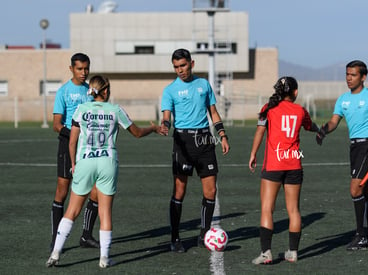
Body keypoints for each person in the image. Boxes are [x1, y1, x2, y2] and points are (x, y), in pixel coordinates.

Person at [46, 75, 167, 268]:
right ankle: (104, 258)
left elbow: (72, 141)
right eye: (108, 87)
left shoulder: (81, 109)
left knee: (72, 210)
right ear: (105, 90)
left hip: (85, 161)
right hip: (107, 162)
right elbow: (136, 133)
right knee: (105, 212)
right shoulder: (115, 110)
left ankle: (55, 253)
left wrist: (75, 163)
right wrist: (152, 129)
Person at [316, 60, 368, 250]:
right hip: (354, 148)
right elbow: (334, 121)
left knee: (355, 189)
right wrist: (324, 130)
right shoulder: (342, 99)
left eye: (353, 75)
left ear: (363, 77)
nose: (349, 78)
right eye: (347, 74)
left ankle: (361, 235)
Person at [161, 48, 230, 253]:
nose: (180, 70)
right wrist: (165, 124)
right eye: (176, 67)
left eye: (183, 65)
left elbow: (214, 113)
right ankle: (175, 238)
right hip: (183, 141)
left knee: (211, 191)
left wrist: (223, 136)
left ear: (192, 63)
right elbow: (166, 115)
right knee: (179, 191)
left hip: (205, 140)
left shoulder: (204, 85)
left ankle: (204, 234)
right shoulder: (170, 90)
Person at [249, 76, 320, 265]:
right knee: (294, 210)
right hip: (294, 165)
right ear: (295, 92)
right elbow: (310, 126)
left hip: (273, 165)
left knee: (267, 208)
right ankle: (293, 252)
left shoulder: (268, 108)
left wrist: (253, 154)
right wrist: (319, 130)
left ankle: (266, 253)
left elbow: (260, 131)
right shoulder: (300, 110)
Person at [51, 52, 100, 250]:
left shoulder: (91, 91)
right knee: (62, 191)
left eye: (86, 68)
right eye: (79, 69)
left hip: (89, 146)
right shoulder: (63, 91)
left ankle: (86, 235)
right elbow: (56, 124)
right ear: (71, 68)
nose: (83, 72)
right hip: (68, 144)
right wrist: (73, 134)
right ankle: (56, 238)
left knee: (96, 191)